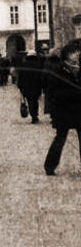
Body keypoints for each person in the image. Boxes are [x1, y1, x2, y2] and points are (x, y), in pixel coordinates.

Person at [43, 43, 81, 176]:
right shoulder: (58, 72)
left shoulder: (79, 70)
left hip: (79, 110)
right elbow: (53, 93)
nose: (77, 55)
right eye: (74, 53)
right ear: (66, 57)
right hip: (63, 111)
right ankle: (49, 166)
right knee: (60, 139)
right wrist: (76, 93)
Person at [17, 50, 43, 123]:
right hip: (37, 86)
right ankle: (35, 114)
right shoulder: (38, 65)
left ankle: (33, 116)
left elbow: (21, 76)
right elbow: (41, 76)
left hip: (27, 86)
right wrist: (42, 85)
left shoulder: (24, 64)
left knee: (30, 100)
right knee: (35, 100)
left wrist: (20, 85)